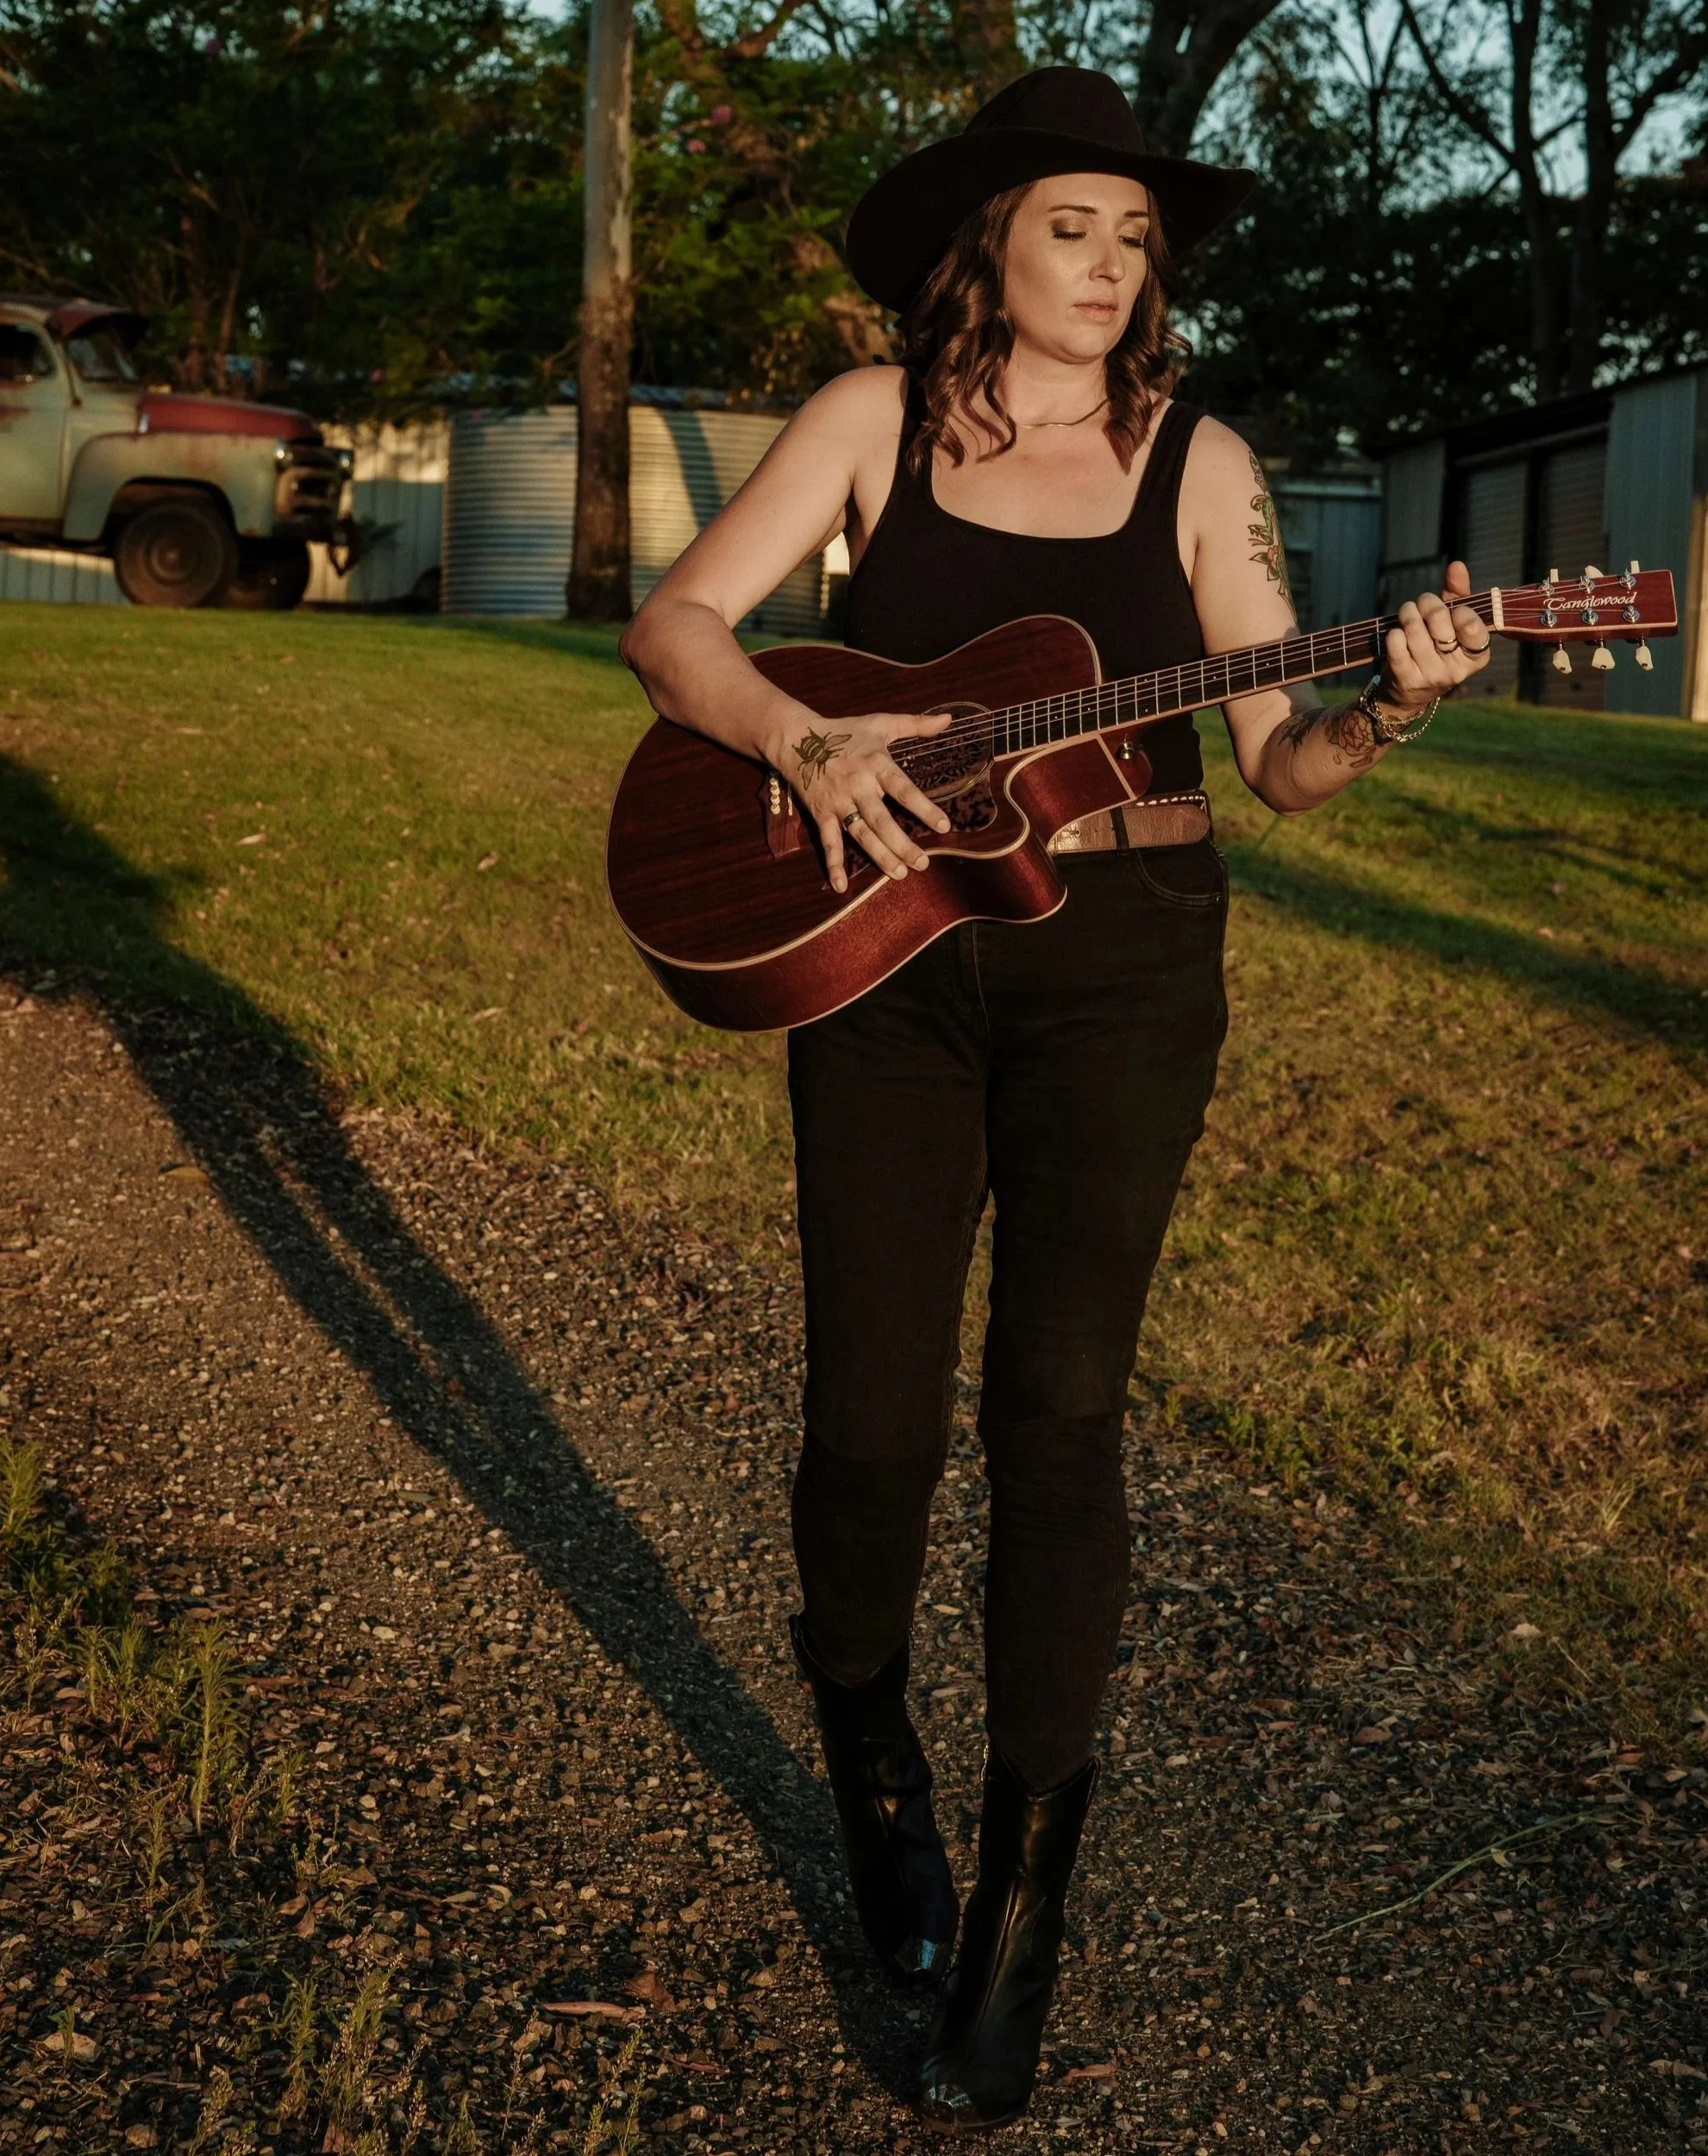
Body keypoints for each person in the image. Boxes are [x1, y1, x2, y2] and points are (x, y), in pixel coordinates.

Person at [621, 64, 1492, 2132]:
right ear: (986, 244)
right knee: (869, 1416)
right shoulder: (867, 423)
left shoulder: (1204, 463)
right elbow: (676, 629)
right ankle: (865, 1745)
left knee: (1060, 1414)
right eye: (1067, 227)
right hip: (888, 964)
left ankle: (1022, 1908)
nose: (1105, 268)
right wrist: (802, 742)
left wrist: (1387, 699)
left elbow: (1274, 758)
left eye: (1132, 238)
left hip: (1122, 974)